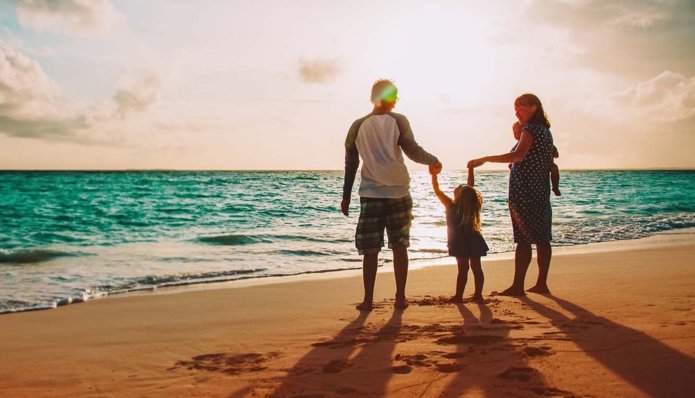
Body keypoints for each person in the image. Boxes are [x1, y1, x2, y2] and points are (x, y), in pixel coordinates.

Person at [341, 79, 442, 311]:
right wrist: (434, 161)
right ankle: (400, 297)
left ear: (372, 97)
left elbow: (350, 165)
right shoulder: (398, 120)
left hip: (371, 194)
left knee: (370, 250)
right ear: (393, 100)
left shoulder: (357, 125)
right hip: (398, 191)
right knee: (399, 245)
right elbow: (413, 151)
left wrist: (346, 196)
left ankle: (368, 300)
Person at [468, 93, 555, 296]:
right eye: (515, 109)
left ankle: (518, 286)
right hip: (540, 190)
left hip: (525, 192)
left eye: (521, 108)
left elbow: (518, 155)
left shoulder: (530, 129)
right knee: (542, 238)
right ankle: (541, 283)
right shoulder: (545, 131)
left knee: (523, 239)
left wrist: (485, 159)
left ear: (534, 107)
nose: (517, 113)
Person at [431, 167, 488, 303]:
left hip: (459, 241)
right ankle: (478, 295)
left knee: (463, 269)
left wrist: (433, 175)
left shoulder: (450, 205)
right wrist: (470, 170)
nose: (460, 186)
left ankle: (458, 296)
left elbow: (437, 190)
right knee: (476, 268)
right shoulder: (471, 205)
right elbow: (470, 188)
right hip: (474, 239)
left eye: (461, 188)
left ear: (460, 195)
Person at [511, 122, 561, 196]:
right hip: (525, 171)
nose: (516, 134)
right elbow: (514, 154)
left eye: (519, 132)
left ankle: (555, 187)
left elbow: (547, 143)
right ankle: (513, 194)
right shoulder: (518, 145)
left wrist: (554, 149)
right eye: (514, 133)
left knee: (554, 168)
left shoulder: (534, 137)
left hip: (541, 163)